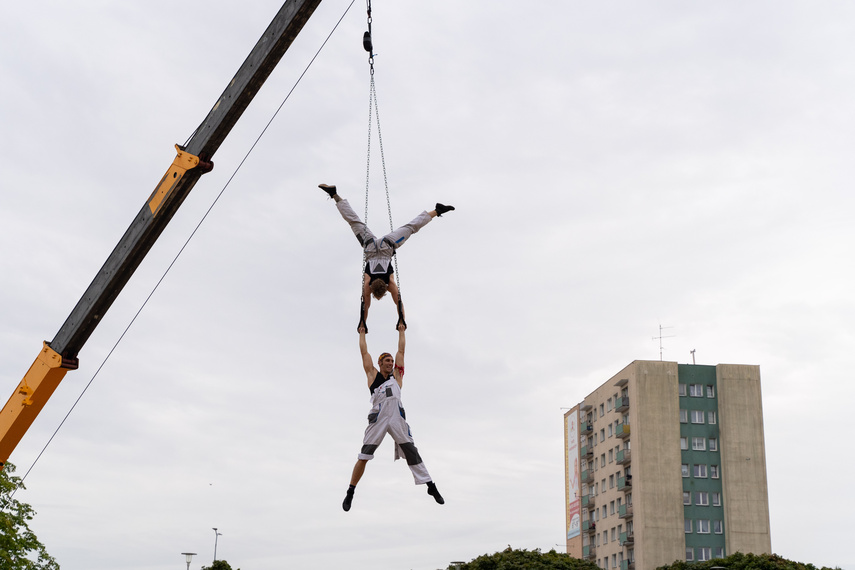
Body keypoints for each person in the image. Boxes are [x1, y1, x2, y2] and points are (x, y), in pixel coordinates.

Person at [319, 184, 454, 329]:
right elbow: (366, 304)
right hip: (369, 246)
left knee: (410, 228)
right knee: (354, 221)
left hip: (387, 245)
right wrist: (362, 323)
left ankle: (437, 210)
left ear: (385, 290)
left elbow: (397, 302)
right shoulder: (368, 283)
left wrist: (400, 319)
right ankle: (335, 196)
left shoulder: (390, 284)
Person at [342, 323, 444, 511]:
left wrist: (402, 331)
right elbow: (364, 353)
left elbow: (401, 351)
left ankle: (430, 485)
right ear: (380, 363)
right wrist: (362, 333)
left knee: (412, 451)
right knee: (364, 455)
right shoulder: (372, 375)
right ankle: (350, 491)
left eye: (391, 361)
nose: (390, 363)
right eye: (387, 360)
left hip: (397, 416)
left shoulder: (397, 376)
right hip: (378, 417)